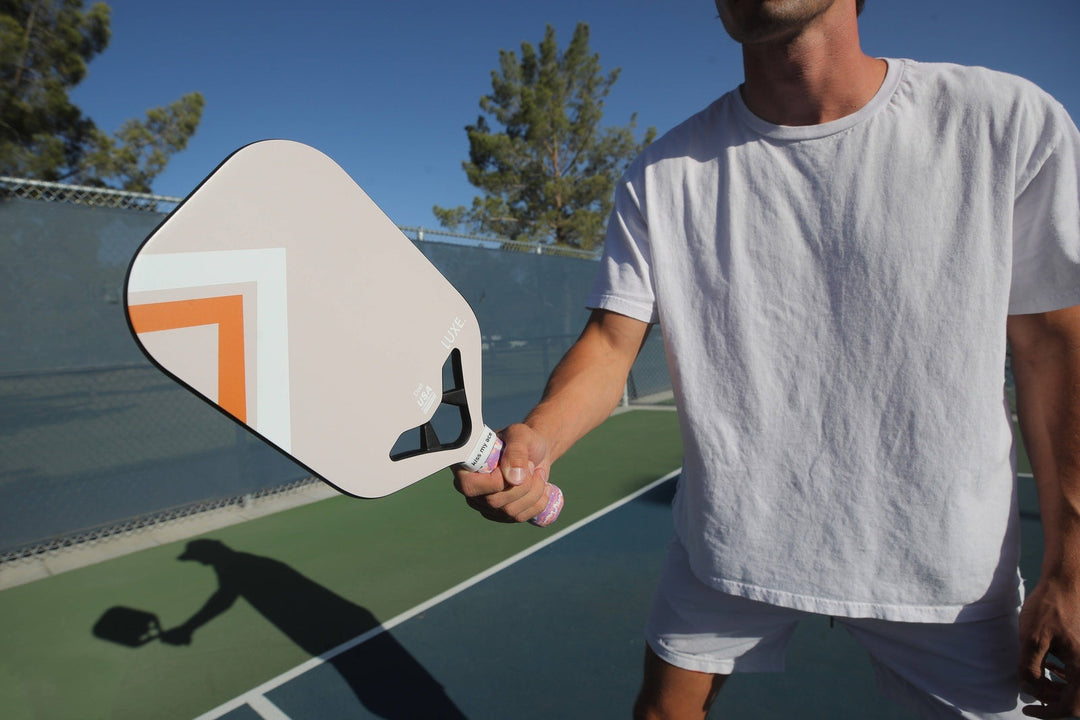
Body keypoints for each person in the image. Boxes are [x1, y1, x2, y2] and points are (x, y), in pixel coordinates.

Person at [453, 1, 1080, 717]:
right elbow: (607, 347)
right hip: (729, 545)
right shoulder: (660, 176)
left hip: (946, 567)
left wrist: (1074, 560)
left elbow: (1057, 350)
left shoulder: (1007, 123)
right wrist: (539, 437)